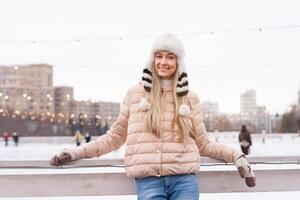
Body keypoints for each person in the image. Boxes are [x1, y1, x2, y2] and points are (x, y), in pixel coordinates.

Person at [50, 34, 256, 200]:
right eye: (159, 56)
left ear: (179, 62)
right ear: (152, 59)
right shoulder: (135, 94)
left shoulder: (190, 98)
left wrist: (236, 156)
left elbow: (203, 143)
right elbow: (114, 137)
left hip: (184, 180)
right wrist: (74, 153)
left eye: (170, 56)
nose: (163, 62)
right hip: (149, 181)